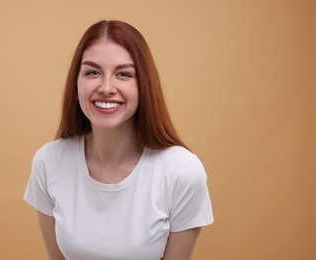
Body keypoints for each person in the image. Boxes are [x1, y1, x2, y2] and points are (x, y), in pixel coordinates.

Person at [24, 20, 213, 260]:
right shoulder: (48, 162)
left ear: (144, 86)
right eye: (92, 72)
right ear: (76, 85)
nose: (106, 87)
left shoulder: (182, 172)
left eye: (123, 74)